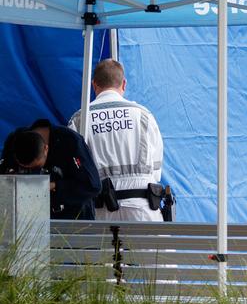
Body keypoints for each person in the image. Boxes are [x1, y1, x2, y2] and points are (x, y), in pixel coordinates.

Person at [68, 59, 164, 222]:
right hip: (143, 207)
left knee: (105, 248)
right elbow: (156, 170)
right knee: (151, 248)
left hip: (101, 208)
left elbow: (75, 171)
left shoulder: (79, 120)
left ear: (94, 84)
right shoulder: (143, 115)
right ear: (124, 84)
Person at [0, 119, 101, 220]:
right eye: (25, 169)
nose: (33, 172)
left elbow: (93, 186)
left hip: (73, 220)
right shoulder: (14, 140)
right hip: (29, 221)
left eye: (36, 168)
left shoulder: (71, 141)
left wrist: (54, 185)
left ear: (46, 149)